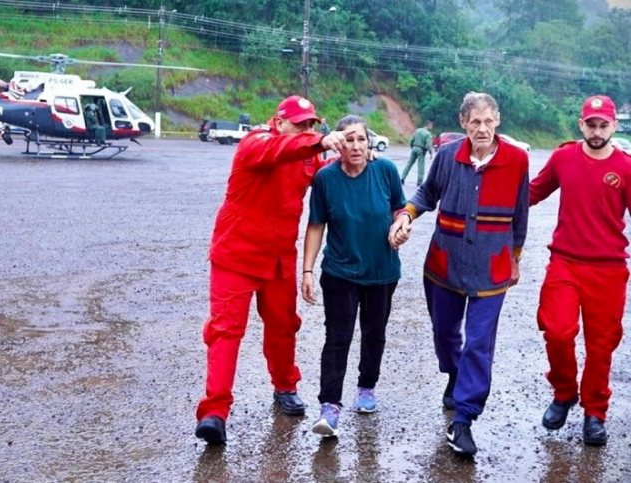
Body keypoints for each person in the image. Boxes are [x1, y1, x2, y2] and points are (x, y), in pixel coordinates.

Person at [195, 95, 358, 445]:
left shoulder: (307, 158)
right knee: (225, 331)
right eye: (299, 123)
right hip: (235, 255)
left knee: (284, 327)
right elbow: (280, 150)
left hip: (279, 258)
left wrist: (357, 159)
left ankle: (285, 385)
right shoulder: (256, 143)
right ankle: (215, 412)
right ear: (278, 121)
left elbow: (330, 175)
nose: (306, 129)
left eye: (311, 124)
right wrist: (317, 141)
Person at [389, 92, 529, 456]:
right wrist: (405, 215)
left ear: (497, 120)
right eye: (474, 122)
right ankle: (453, 373)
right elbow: (426, 193)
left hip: (491, 269)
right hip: (444, 265)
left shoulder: (517, 160)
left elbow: (520, 214)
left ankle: (464, 418)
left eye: (488, 121)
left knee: (479, 343)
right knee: (444, 333)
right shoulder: (449, 156)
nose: (482, 128)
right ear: (464, 123)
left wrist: (515, 256)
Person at [530, 95, 631, 447]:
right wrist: (487, 194)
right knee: (557, 331)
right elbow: (531, 193)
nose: (597, 131)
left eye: (604, 125)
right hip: (565, 263)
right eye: (592, 124)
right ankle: (564, 392)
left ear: (614, 125)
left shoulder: (626, 166)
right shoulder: (563, 157)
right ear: (581, 124)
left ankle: (595, 412)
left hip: (609, 269)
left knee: (601, 346)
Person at [301, 115, 408, 438]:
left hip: (382, 271)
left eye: (361, 139)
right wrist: (306, 269)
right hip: (340, 272)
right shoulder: (325, 178)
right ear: (337, 143)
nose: (356, 146)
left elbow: (400, 210)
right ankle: (329, 406)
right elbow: (316, 225)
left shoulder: (386, 170)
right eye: (349, 139)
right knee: (337, 338)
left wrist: (401, 226)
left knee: (374, 333)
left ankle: (366, 386)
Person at [401, 121, 434, 185]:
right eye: (431, 126)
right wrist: (430, 152)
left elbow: (411, 140)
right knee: (421, 166)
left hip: (414, 148)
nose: (432, 128)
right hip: (421, 150)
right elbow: (428, 145)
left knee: (409, 164)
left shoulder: (417, 130)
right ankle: (419, 181)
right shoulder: (428, 134)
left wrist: (412, 147)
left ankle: (402, 177)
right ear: (429, 125)